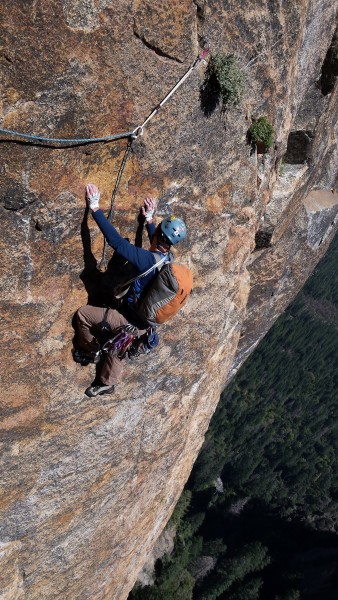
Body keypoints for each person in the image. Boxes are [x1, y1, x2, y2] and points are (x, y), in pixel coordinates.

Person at [74, 183, 187, 397]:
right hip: (143, 326)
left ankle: (89, 350)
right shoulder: (168, 260)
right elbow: (157, 244)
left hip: (127, 319)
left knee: (83, 315)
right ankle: (107, 382)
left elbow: (116, 242)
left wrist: (95, 208)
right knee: (120, 346)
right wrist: (149, 221)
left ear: (160, 235)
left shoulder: (146, 259)